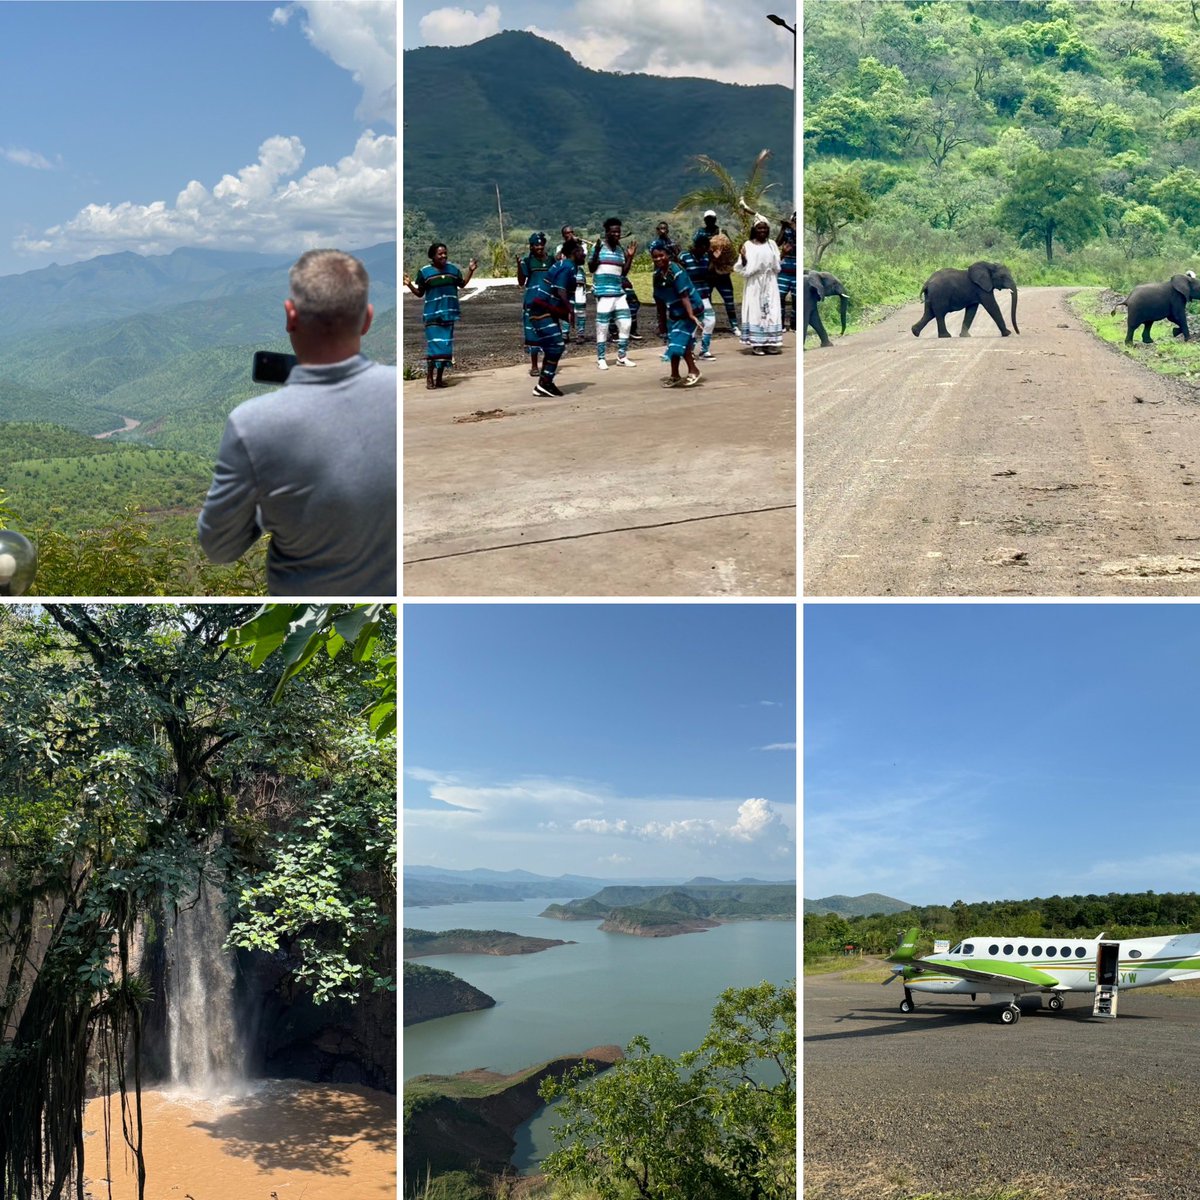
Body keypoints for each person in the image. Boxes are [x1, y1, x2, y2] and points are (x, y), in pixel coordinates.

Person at [198, 248, 396, 596]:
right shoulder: (400, 394)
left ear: (290, 316)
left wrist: (270, 500)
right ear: (367, 319)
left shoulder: (252, 424)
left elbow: (220, 548)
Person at [404, 242, 477, 388]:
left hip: (448, 314)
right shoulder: (425, 272)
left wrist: (470, 271)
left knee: (445, 346)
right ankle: (429, 378)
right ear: (432, 256)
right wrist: (409, 284)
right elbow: (420, 293)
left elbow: (462, 284)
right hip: (432, 315)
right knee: (433, 347)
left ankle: (439, 379)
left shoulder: (453, 270)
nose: (443, 256)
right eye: (440, 254)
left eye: (445, 253)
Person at [525, 239, 586, 397]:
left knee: (553, 347)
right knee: (557, 346)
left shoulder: (567, 265)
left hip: (544, 310)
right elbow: (560, 290)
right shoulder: (568, 267)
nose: (584, 253)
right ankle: (545, 383)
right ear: (574, 253)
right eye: (581, 251)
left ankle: (544, 384)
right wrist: (570, 311)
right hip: (541, 310)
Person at [650, 244, 705, 387]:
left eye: (661, 255)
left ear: (668, 255)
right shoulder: (656, 276)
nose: (658, 259)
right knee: (675, 341)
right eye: (655, 256)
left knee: (678, 341)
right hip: (675, 312)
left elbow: (684, 295)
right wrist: (661, 323)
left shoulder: (677, 271)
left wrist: (691, 315)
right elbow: (659, 301)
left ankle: (694, 371)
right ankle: (675, 375)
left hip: (691, 309)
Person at [589, 218, 638, 370]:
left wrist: (630, 256)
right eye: (613, 231)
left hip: (618, 293)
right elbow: (591, 268)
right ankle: (601, 358)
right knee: (602, 326)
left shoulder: (620, 250)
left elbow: (623, 273)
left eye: (618, 231)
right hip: (603, 293)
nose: (617, 234)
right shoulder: (598, 247)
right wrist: (596, 251)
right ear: (607, 232)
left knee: (626, 323)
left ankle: (622, 357)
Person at [735, 219, 783, 355]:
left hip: (770, 281)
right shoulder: (748, 245)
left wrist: (783, 253)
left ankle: (770, 342)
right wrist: (743, 258)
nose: (762, 231)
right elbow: (742, 266)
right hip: (755, 282)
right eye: (759, 228)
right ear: (754, 230)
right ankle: (757, 344)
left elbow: (777, 264)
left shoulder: (772, 244)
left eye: (765, 228)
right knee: (756, 310)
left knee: (772, 309)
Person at [695, 210, 740, 336]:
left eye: (712, 218)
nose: (710, 220)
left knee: (729, 299)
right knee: (706, 300)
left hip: (722, 273)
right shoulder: (700, 232)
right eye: (708, 218)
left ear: (715, 219)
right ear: (705, 220)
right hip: (707, 272)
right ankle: (706, 324)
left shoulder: (722, 231)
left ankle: (734, 325)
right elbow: (696, 247)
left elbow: (729, 247)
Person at [517, 233, 553, 376]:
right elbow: (521, 281)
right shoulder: (527, 262)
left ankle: (547, 364)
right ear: (531, 247)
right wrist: (518, 266)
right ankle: (534, 366)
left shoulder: (551, 260)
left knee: (548, 333)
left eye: (541, 244)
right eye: (536, 245)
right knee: (532, 333)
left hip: (548, 302)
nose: (539, 247)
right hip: (532, 303)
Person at [679, 232, 717, 360]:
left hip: (704, 295)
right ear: (697, 246)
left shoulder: (706, 258)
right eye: (704, 247)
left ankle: (704, 350)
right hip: (691, 297)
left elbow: (710, 275)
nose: (706, 250)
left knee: (710, 321)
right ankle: (689, 351)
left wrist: (712, 259)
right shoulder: (684, 256)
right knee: (693, 324)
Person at [555, 223, 590, 343]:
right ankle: (565, 334)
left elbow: (582, 259)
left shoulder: (581, 246)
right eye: (567, 233)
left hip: (578, 280)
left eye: (571, 232)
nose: (570, 235)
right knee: (566, 306)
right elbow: (558, 257)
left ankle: (580, 333)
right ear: (563, 236)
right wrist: (567, 245)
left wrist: (577, 244)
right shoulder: (560, 247)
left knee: (580, 308)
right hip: (566, 281)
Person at [778, 214, 798, 332]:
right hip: (784, 270)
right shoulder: (787, 230)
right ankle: (781, 324)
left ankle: (794, 325)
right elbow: (778, 243)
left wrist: (794, 227)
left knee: (796, 299)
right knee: (780, 297)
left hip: (796, 272)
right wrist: (783, 228)